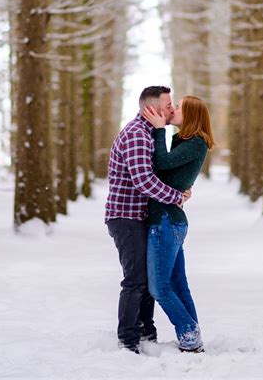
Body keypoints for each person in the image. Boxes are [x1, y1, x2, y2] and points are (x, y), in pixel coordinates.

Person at [105, 86, 192, 355]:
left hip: (139, 216)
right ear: (151, 108)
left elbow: (157, 173)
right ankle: (129, 340)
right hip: (125, 217)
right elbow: (144, 181)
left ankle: (146, 332)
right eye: (168, 105)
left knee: (146, 276)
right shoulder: (136, 135)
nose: (171, 109)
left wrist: (179, 188)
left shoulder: (148, 133)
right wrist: (174, 196)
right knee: (135, 280)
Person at [142, 96, 215, 353]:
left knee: (159, 288)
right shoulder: (184, 141)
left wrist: (160, 129)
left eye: (179, 107)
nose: (173, 109)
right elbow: (169, 174)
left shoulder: (196, 142)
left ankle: (190, 336)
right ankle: (192, 337)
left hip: (166, 221)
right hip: (168, 220)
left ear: (192, 116)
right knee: (178, 284)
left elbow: (161, 164)